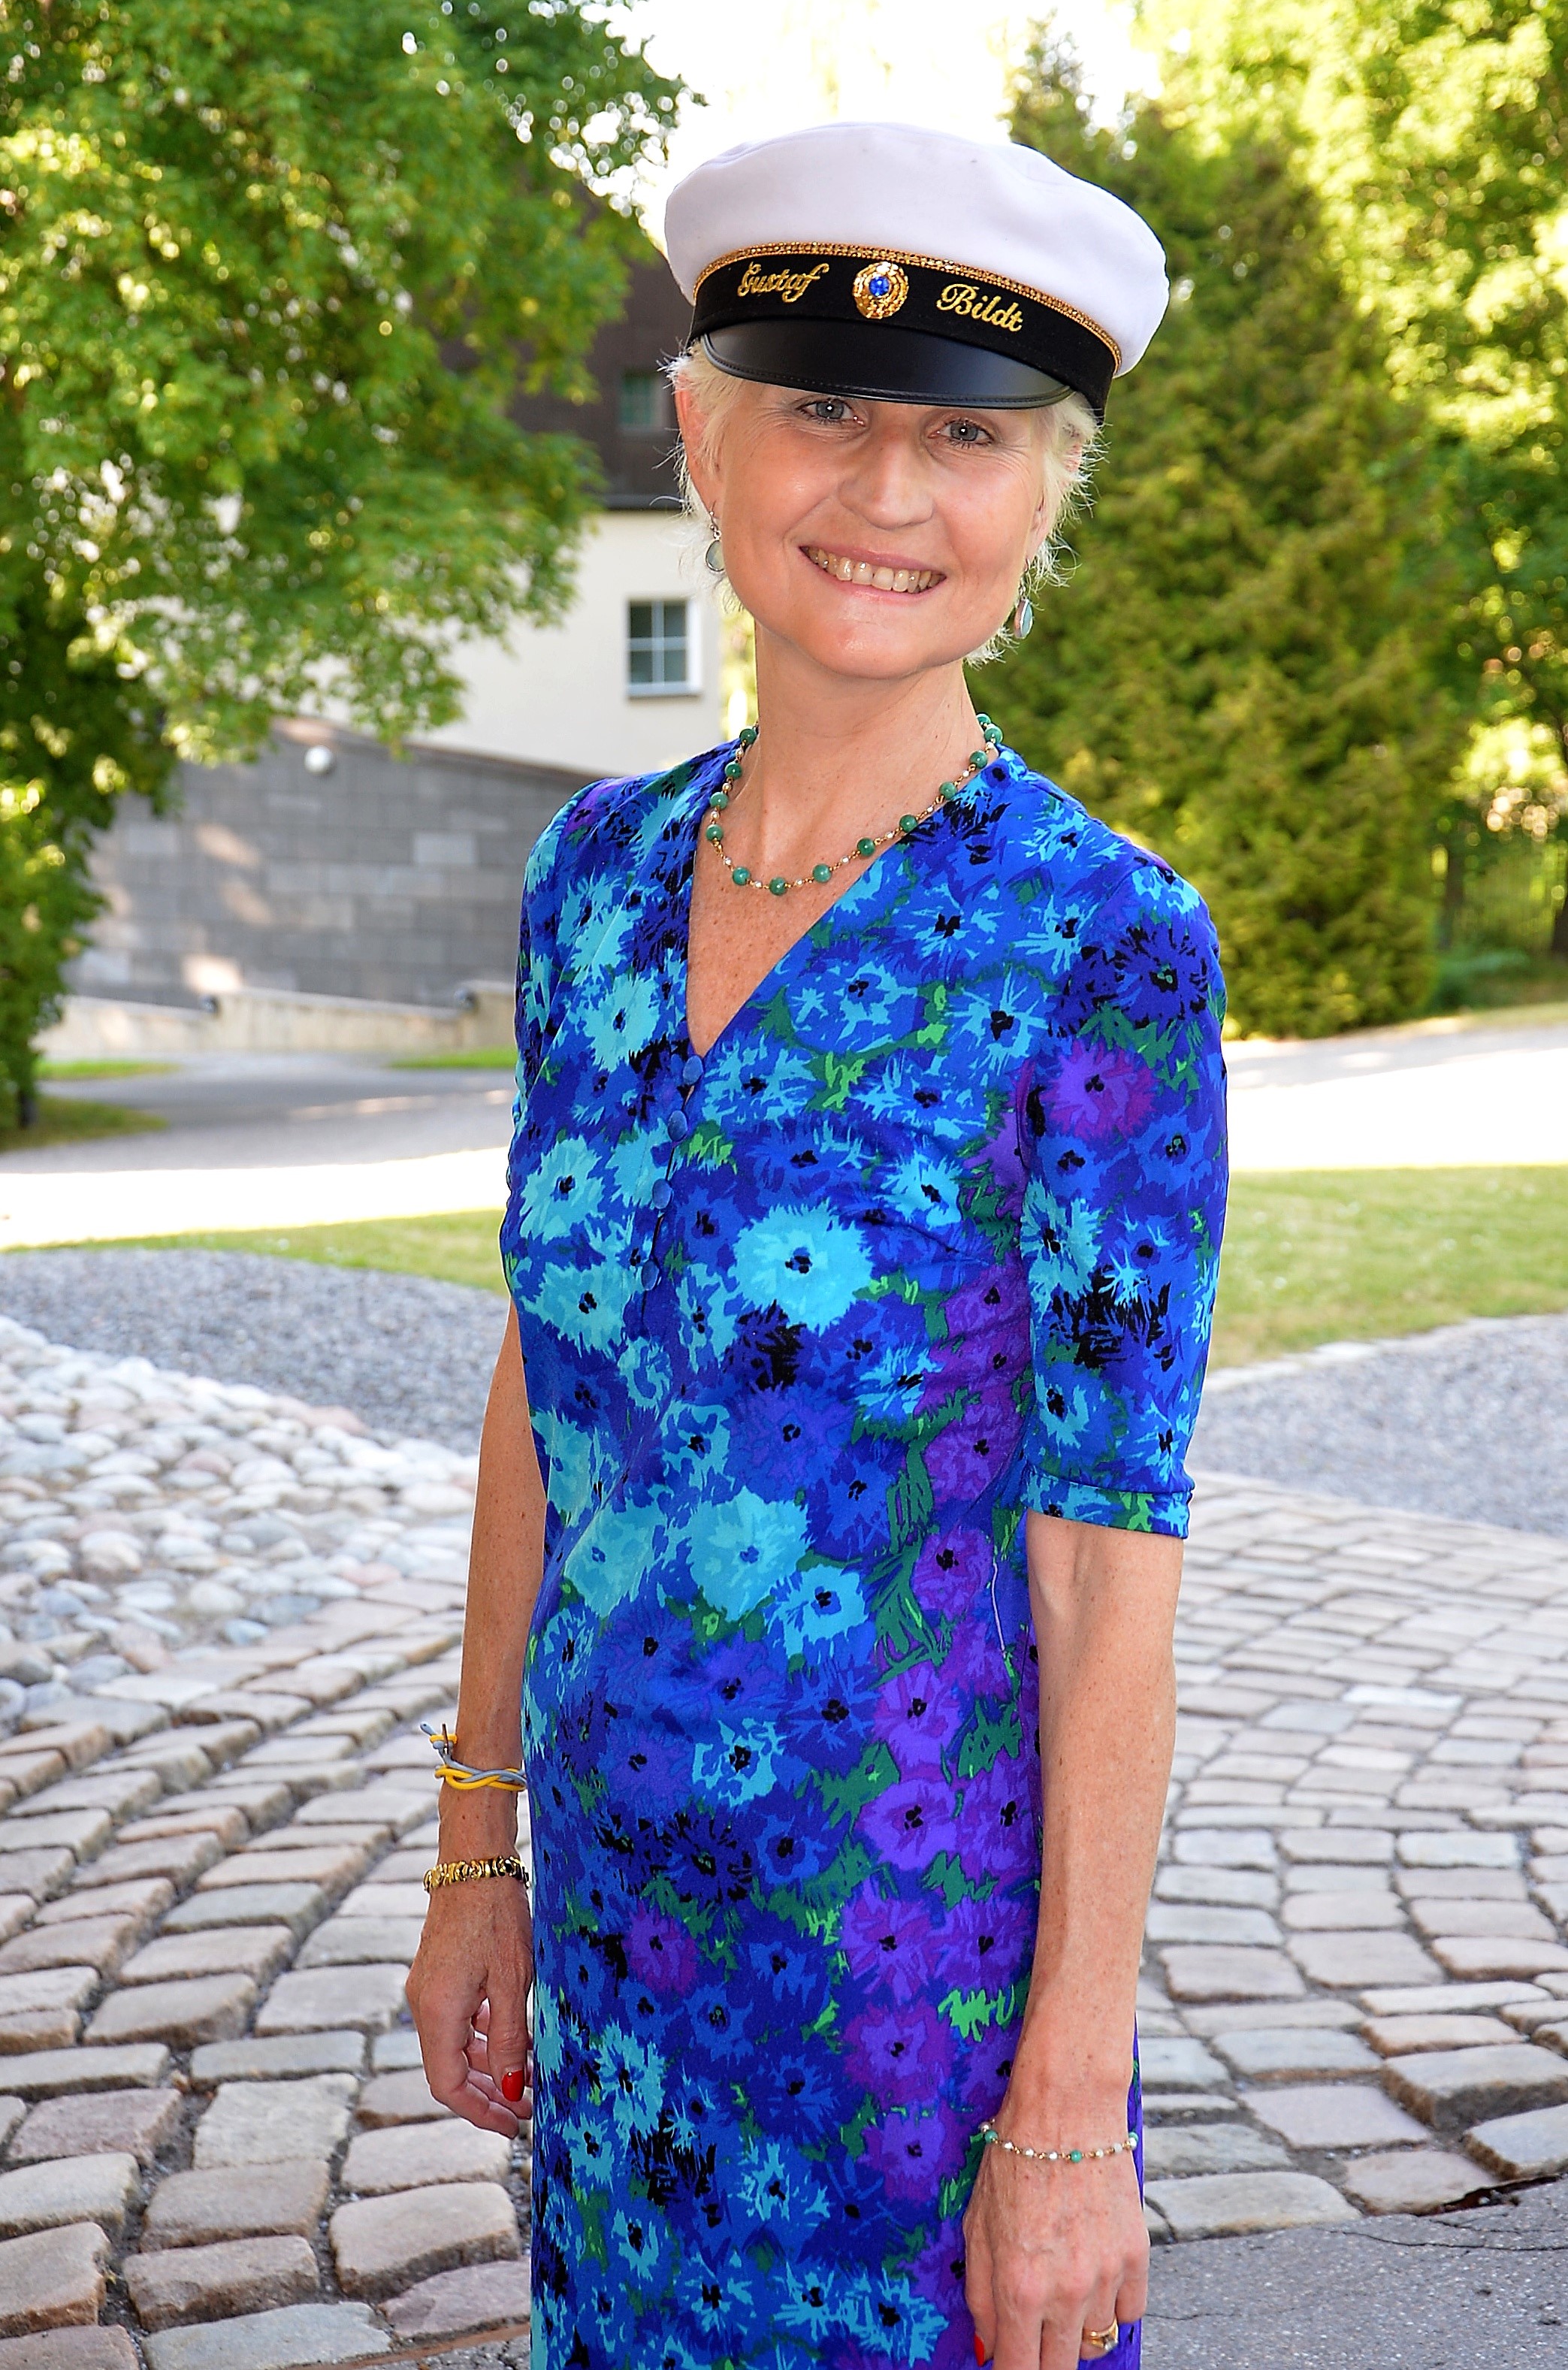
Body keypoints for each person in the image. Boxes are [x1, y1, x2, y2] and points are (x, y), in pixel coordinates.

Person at [406, 121, 1228, 2370]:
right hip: (618, 1975)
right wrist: (477, 1846)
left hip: (910, 2011)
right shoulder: (591, 884)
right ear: (703, 432)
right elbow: (548, 1369)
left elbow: (1106, 1557)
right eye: (824, 410)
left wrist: (1068, 2108)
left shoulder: (1101, 946)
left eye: (969, 437)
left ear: (1046, 491)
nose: (889, 493)